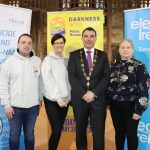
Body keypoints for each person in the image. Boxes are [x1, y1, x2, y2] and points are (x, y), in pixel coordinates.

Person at [68, 27, 110, 150]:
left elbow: (106, 76)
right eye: (86, 36)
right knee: (80, 132)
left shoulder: (103, 56)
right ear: (82, 38)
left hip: (98, 100)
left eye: (92, 36)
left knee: (98, 133)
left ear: (96, 38)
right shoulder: (74, 55)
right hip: (80, 100)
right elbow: (72, 76)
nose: (89, 39)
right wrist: (83, 94)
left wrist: (93, 93)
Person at [0, 33, 43, 150]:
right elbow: (2, 84)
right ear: (18, 44)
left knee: (30, 134)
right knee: (14, 135)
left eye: (29, 43)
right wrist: (7, 105)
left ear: (32, 45)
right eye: (23, 42)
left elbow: (40, 82)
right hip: (14, 108)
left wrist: (40, 98)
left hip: (33, 107)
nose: (26, 45)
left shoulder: (37, 61)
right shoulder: (10, 62)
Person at [107, 39, 149, 150]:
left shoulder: (139, 65)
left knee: (131, 134)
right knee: (119, 133)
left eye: (128, 47)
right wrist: (108, 103)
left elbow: (144, 88)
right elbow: (109, 86)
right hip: (115, 106)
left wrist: (139, 109)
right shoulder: (114, 66)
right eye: (123, 47)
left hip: (131, 106)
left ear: (132, 50)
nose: (125, 50)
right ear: (119, 50)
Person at [41, 33, 71, 150]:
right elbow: (48, 81)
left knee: (59, 131)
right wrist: (58, 99)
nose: (59, 45)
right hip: (52, 100)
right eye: (56, 43)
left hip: (65, 100)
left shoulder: (66, 60)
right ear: (53, 45)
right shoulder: (48, 60)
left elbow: (70, 80)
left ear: (64, 44)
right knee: (56, 130)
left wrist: (68, 97)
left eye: (61, 43)